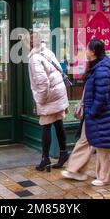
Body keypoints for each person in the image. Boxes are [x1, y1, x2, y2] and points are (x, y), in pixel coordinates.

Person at [61, 39, 110, 186]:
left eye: (87, 49)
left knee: (105, 147)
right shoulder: (96, 67)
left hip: (101, 114)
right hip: (93, 114)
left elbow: (102, 95)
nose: (85, 51)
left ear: (93, 52)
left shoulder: (102, 69)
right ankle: (75, 170)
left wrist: (92, 111)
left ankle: (106, 177)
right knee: (85, 140)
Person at [26, 31, 70, 171]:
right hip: (58, 91)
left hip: (49, 95)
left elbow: (43, 82)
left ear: (30, 43)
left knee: (45, 124)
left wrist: (41, 99)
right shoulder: (47, 52)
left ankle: (45, 159)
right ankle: (63, 153)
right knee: (58, 121)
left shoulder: (34, 58)